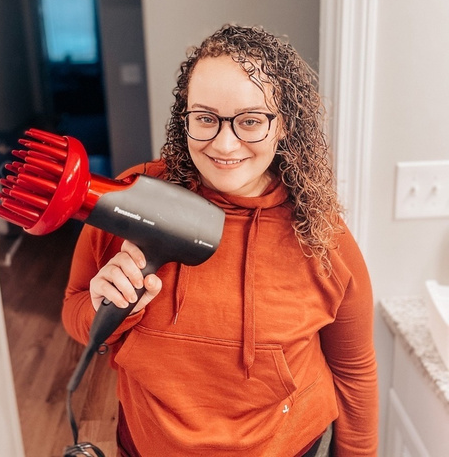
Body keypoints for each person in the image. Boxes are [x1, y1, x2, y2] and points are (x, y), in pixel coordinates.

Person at [62, 24, 378, 457]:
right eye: (206, 118)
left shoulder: (321, 236)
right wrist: (110, 309)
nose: (224, 144)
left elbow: (354, 370)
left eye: (250, 121)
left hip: (286, 445)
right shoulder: (128, 198)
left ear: (283, 123)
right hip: (147, 445)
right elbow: (74, 310)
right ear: (185, 117)